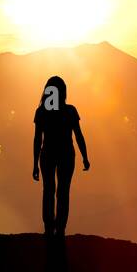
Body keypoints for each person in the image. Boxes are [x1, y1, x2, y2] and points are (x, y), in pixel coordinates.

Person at [32, 76, 90, 238]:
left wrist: (35, 163)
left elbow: (38, 139)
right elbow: (78, 135)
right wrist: (85, 156)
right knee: (63, 192)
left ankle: (49, 229)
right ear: (64, 92)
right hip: (66, 155)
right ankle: (60, 229)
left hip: (47, 154)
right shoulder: (70, 111)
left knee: (48, 191)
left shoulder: (41, 112)